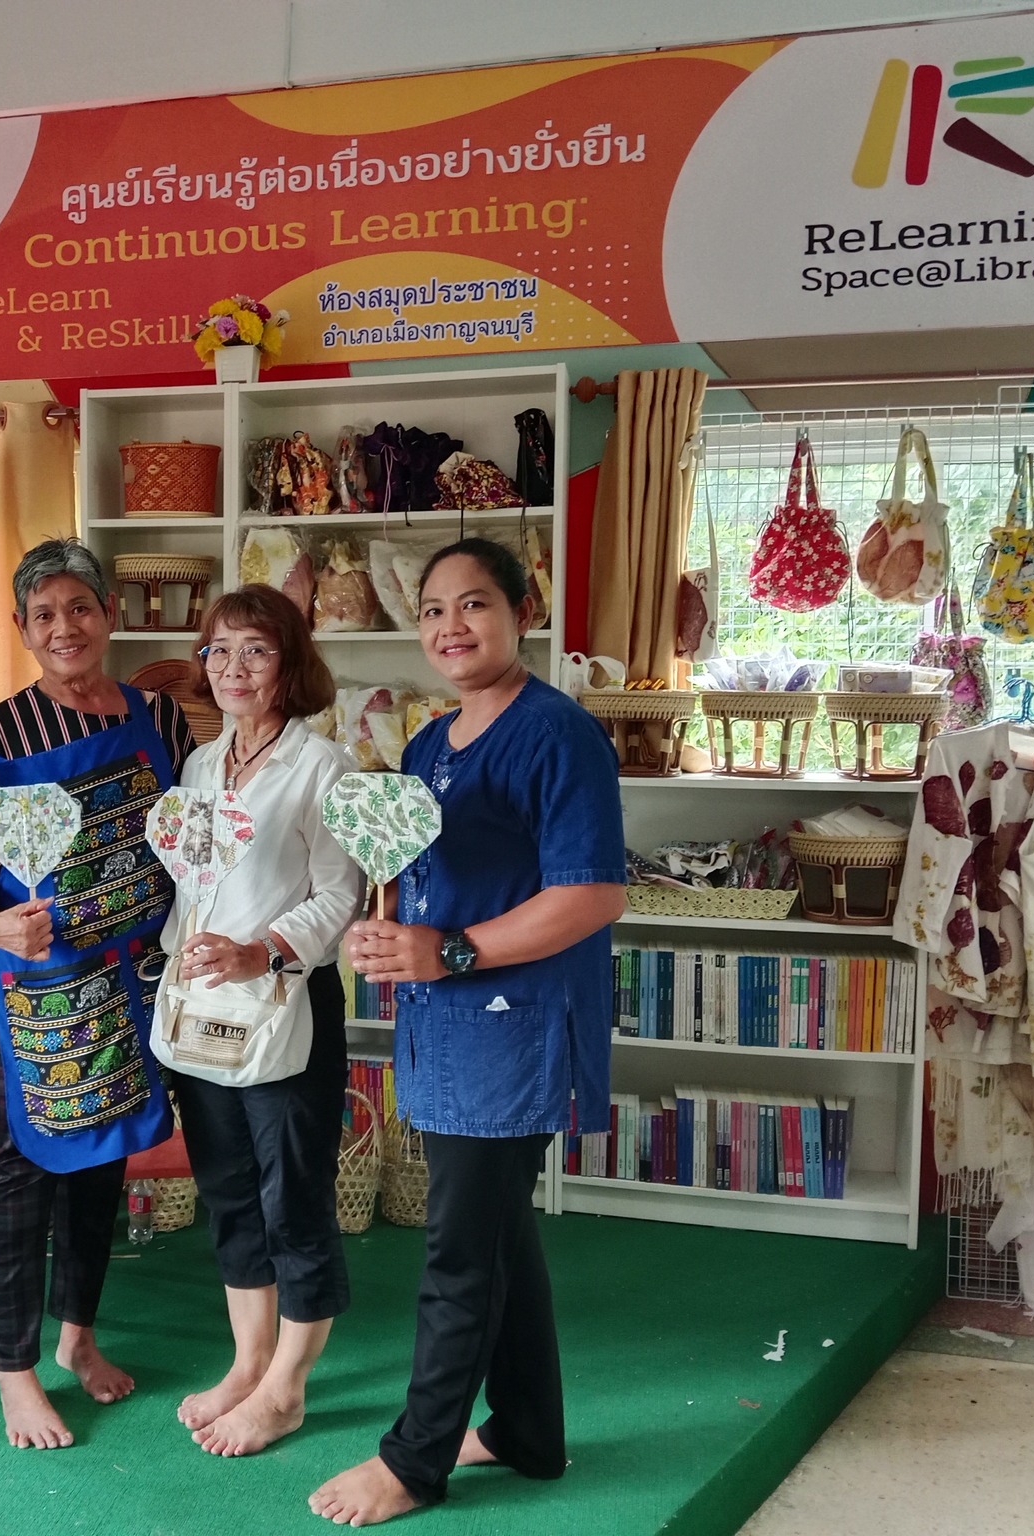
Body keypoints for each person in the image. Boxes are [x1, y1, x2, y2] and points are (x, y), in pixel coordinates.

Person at [309, 537, 626, 1526]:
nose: (451, 626)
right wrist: (385, 931)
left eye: (474, 603)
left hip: (510, 1029)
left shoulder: (558, 736)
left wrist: (446, 951)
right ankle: (527, 1429)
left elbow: (591, 894)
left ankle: (415, 1460)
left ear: (522, 612)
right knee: (497, 1236)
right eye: (433, 609)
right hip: (443, 1025)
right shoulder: (426, 745)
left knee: (458, 1253)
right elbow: (420, 883)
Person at [0, 537, 196, 1450]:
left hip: (131, 976)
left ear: (109, 614)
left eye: (79, 607)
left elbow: (188, 831)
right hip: (34, 986)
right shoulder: (1, 733)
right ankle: (14, 1374)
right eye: (43, 613)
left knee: (101, 1158)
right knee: (18, 1172)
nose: (64, 627)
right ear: (21, 628)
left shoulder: (160, 717)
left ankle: (78, 1336)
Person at [160, 584, 365, 1457]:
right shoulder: (200, 768)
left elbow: (342, 892)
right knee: (230, 1191)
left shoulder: (323, 767)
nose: (232, 667)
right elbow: (191, 888)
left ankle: (287, 1389)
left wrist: (262, 950)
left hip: (286, 1002)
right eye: (218, 649)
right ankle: (248, 1366)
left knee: (293, 1197)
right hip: (204, 1006)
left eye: (255, 650)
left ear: (290, 665)